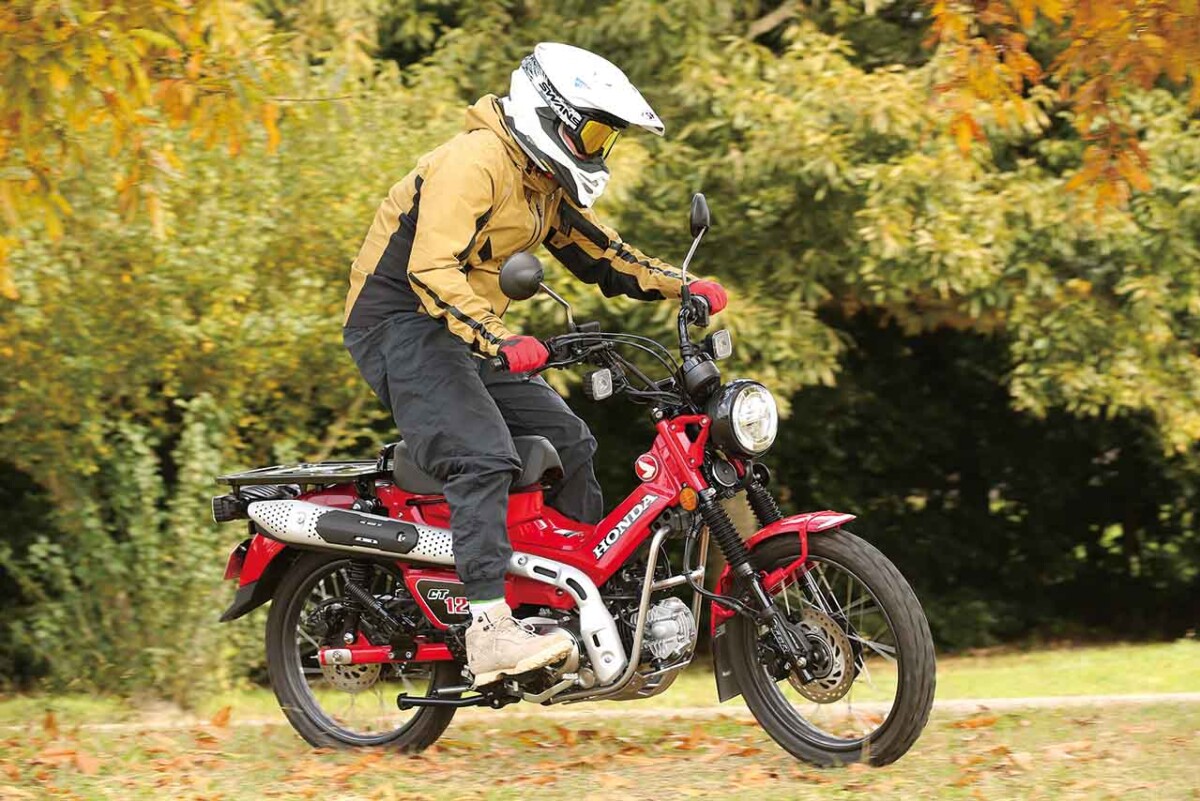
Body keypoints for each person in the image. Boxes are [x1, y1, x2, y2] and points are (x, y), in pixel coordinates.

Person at [341, 42, 728, 687]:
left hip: (466, 328)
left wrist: (680, 285)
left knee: (569, 442)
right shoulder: (475, 162)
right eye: (596, 133)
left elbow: (603, 255)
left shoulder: (540, 183)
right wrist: (499, 338)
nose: (600, 149)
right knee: (483, 455)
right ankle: (489, 628)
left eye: (607, 138)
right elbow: (429, 270)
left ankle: (572, 608)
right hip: (400, 322)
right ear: (552, 113)